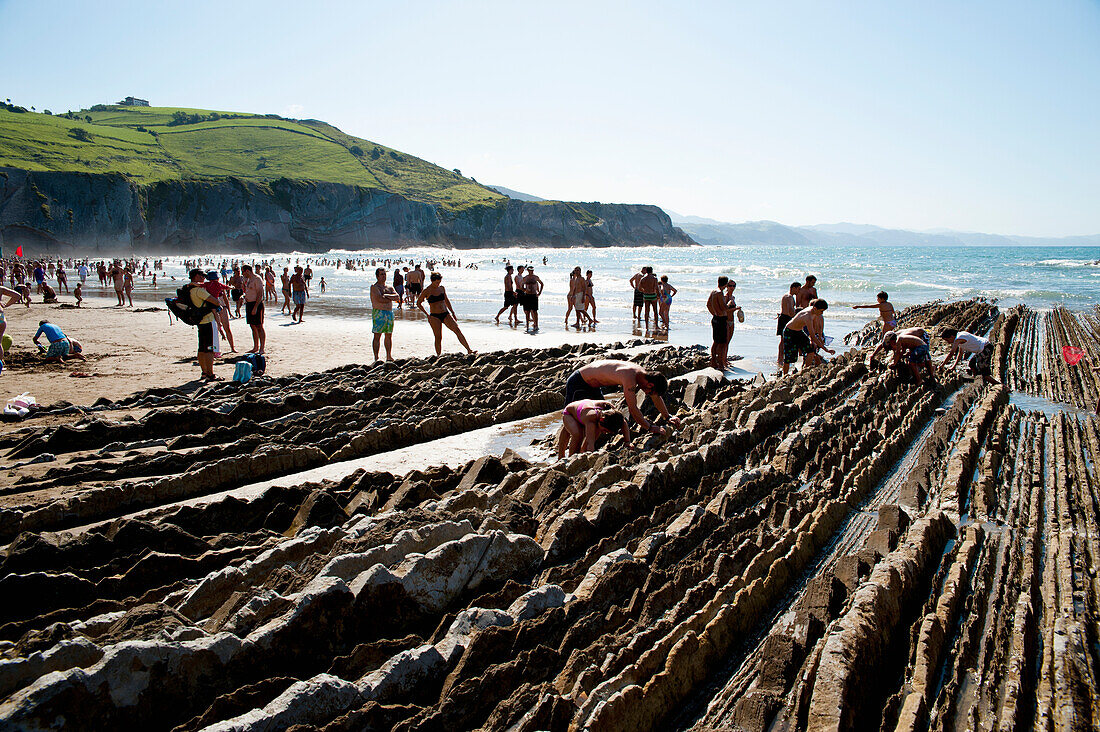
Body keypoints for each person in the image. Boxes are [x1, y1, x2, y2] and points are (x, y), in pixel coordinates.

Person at [564, 359, 681, 436]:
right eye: (650, 392)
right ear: (650, 385)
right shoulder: (630, 378)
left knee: (602, 419)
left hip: (594, 386)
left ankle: (586, 450)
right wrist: (650, 427)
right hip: (579, 382)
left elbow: (656, 397)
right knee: (571, 418)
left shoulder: (643, 375)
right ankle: (562, 455)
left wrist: (667, 416)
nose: (648, 395)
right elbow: (633, 409)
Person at [417, 272, 474, 355]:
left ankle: (469, 350)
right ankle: (438, 355)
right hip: (434, 316)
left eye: (439, 282)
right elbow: (418, 303)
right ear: (432, 281)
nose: (438, 284)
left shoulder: (442, 288)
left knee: (457, 330)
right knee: (438, 337)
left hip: (445, 313)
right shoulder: (427, 291)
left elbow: (446, 300)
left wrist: (452, 312)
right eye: (437, 282)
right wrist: (427, 314)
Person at [556, 399, 632, 457]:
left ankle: (579, 455)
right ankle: (569, 457)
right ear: (601, 420)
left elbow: (623, 422)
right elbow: (590, 443)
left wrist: (627, 442)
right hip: (570, 414)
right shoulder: (591, 419)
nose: (605, 433)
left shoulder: (613, 412)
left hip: (584, 411)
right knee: (578, 434)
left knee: (597, 431)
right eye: (605, 430)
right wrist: (590, 456)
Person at [185, 269, 221, 381]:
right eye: (202, 275)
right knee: (209, 348)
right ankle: (210, 373)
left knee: (201, 348)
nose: (204, 278)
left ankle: (204, 372)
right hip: (207, 321)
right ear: (196, 276)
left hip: (199, 321)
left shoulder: (189, 289)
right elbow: (216, 302)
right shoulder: (199, 291)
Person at [781, 300, 835, 375]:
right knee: (789, 357)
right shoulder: (808, 316)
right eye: (821, 311)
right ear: (815, 308)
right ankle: (785, 375)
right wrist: (826, 349)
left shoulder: (815, 312)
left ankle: (805, 371)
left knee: (811, 351)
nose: (822, 313)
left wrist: (813, 341)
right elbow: (812, 334)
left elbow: (814, 328)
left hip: (799, 331)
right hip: (789, 332)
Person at [867, 327, 935, 386]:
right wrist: (873, 354)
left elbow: (898, 353)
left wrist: (895, 363)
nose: (893, 349)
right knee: (914, 358)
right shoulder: (893, 336)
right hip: (916, 342)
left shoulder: (899, 338)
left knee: (921, 359)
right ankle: (924, 372)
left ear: (892, 341)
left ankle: (928, 373)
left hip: (921, 335)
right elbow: (883, 345)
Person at [370, 267, 401, 361]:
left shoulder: (389, 287)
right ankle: (376, 357)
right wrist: (389, 298)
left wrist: (386, 295)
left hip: (389, 313)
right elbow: (379, 299)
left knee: (388, 335)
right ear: (377, 276)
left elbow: (397, 297)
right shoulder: (374, 287)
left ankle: (388, 355)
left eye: (384, 274)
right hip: (379, 313)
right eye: (381, 274)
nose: (383, 276)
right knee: (377, 335)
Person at [204, 271, 236, 353]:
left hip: (221, 308)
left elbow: (226, 300)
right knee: (216, 330)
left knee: (226, 329)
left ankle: (232, 348)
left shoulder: (218, 286)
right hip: (214, 309)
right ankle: (215, 349)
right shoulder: (208, 287)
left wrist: (229, 311)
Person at [707, 277, 733, 370]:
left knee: (716, 342)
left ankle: (714, 361)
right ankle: (720, 363)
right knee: (722, 342)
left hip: (715, 318)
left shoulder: (713, 291)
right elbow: (724, 308)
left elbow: (708, 304)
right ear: (725, 284)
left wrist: (714, 313)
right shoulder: (719, 293)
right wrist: (730, 304)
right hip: (721, 319)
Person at [241, 264, 266, 355]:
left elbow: (260, 294)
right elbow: (248, 291)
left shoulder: (257, 279)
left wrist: (255, 307)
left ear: (247, 271)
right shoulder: (247, 280)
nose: (242, 274)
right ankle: (255, 347)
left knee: (259, 326)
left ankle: (262, 348)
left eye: (243, 271)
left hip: (257, 304)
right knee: (252, 326)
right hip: (249, 304)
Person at [777, 282, 800, 367]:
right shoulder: (789, 297)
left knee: (784, 340)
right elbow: (790, 311)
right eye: (798, 289)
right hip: (785, 318)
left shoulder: (787, 296)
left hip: (784, 317)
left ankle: (781, 358)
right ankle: (780, 359)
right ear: (793, 288)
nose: (799, 291)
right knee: (784, 340)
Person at [520, 266, 544, 332]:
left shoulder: (535, 277)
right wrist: (525, 290)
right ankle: (527, 325)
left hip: (534, 295)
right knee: (527, 311)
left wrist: (539, 293)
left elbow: (542, 284)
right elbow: (521, 285)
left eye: (532, 270)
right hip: (527, 295)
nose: (531, 271)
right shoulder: (525, 278)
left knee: (535, 311)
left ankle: (536, 325)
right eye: (530, 270)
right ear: (527, 270)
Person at [724, 280, 742, 346]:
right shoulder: (726, 297)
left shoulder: (733, 297)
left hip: (732, 320)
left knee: (728, 342)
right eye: (730, 286)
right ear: (727, 287)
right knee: (725, 343)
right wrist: (735, 308)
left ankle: (724, 356)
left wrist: (736, 309)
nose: (732, 287)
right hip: (726, 321)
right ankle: (721, 356)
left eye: (734, 286)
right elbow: (724, 310)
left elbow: (731, 309)